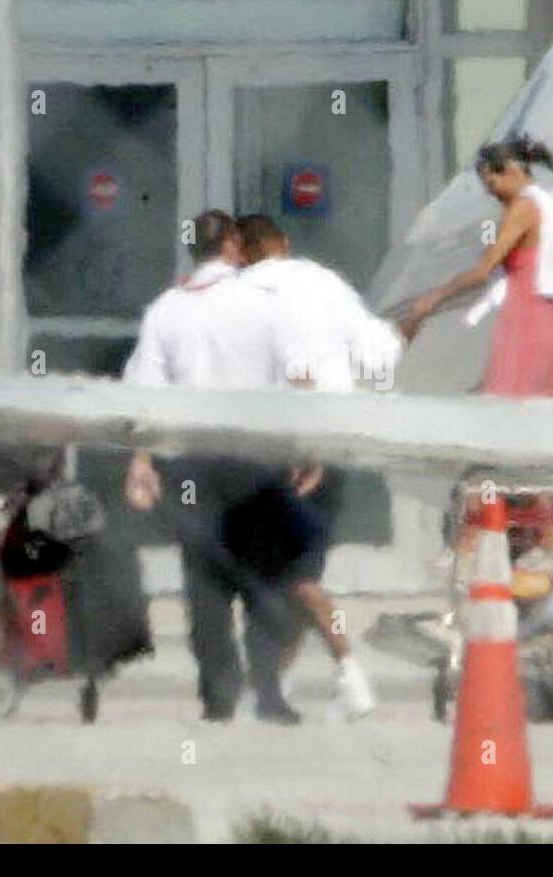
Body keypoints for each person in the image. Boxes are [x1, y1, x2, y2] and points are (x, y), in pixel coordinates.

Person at [122, 209, 318, 725]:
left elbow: (144, 391)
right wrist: (309, 447)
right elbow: (300, 376)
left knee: (205, 581)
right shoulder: (267, 303)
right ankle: (269, 691)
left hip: (192, 463)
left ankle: (218, 693)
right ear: (232, 243)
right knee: (266, 576)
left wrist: (141, 459)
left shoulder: (166, 310)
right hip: (257, 457)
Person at [237, 214, 404, 719]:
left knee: (288, 575)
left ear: (241, 253)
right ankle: (269, 691)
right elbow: (377, 351)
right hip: (335, 440)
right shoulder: (325, 281)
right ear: (283, 244)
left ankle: (349, 674)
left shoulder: (244, 292)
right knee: (294, 572)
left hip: (283, 446)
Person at [398, 134, 553, 396]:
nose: (490, 192)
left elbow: (483, 271)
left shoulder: (522, 207)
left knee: (508, 406)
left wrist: (435, 297)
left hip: (526, 323)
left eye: (491, 182)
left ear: (510, 170)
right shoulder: (552, 204)